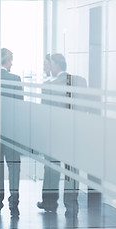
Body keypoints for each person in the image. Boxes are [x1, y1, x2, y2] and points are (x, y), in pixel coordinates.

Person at [37, 53, 86, 217]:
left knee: (51, 168)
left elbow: (44, 115)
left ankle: (49, 202)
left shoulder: (49, 86)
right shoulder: (80, 81)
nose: (45, 68)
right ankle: (71, 204)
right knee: (72, 170)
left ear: (54, 65)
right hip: (76, 133)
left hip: (55, 134)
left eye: (46, 64)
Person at [0, 48, 23, 217]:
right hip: (13, 132)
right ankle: (14, 200)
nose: (12, 64)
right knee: (14, 167)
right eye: (11, 60)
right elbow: (20, 106)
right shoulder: (15, 79)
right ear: (6, 61)